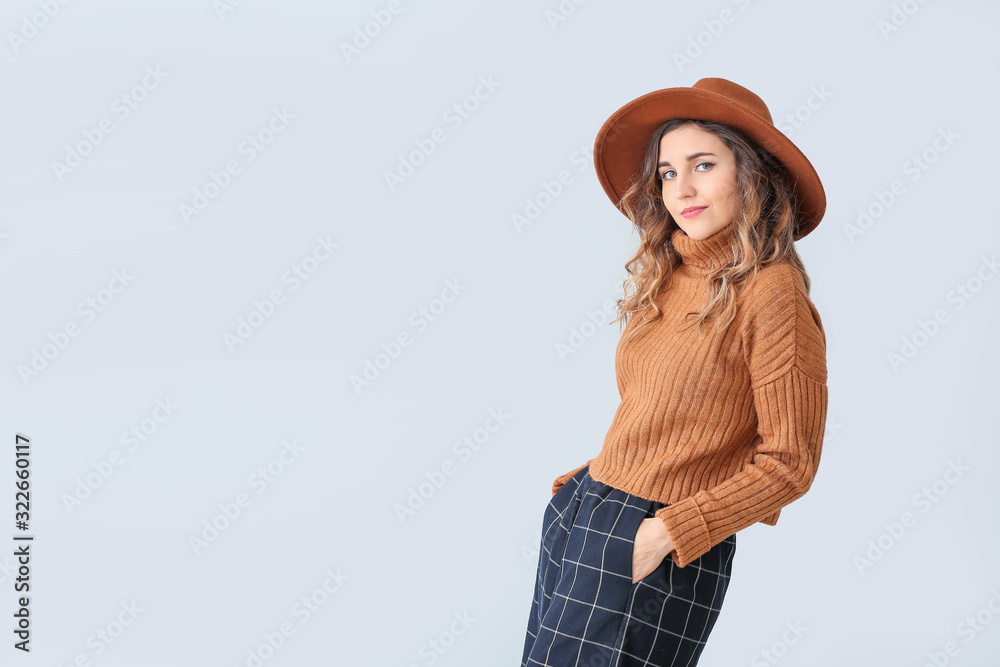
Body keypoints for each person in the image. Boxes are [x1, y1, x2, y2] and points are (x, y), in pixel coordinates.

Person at [520, 77, 829, 667]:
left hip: (663, 538)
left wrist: (668, 532)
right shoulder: (670, 275)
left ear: (751, 175)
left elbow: (790, 463)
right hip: (590, 509)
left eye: (703, 164)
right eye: (666, 172)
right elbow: (662, 414)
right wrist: (591, 484)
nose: (680, 188)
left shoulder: (772, 294)